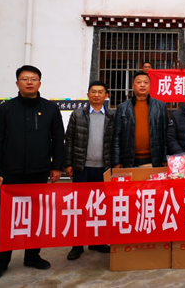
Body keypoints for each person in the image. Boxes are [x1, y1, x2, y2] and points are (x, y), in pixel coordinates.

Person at [0, 65, 65, 281]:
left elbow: (58, 139)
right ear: (17, 83)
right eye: (25, 79)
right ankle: (0, 262)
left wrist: (56, 166)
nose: (29, 82)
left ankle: (32, 256)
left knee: (36, 216)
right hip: (10, 174)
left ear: (40, 83)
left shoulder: (50, 108)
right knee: (7, 218)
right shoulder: (5, 109)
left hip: (39, 172)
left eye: (34, 79)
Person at [63, 81, 115, 260]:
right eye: (93, 91)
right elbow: (69, 139)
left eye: (100, 92)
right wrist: (68, 163)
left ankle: (97, 241)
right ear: (88, 95)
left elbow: (115, 141)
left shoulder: (112, 116)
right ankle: (77, 245)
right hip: (82, 168)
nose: (97, 95)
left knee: (99, 207)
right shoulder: (78, 115)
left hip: (103, 169)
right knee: (80, 207)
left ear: (106, 95)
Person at [112, 72, 168, 168]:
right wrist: (117, 161)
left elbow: (166, 134)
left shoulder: (160, 106)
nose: (142, 85)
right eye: (139, 82)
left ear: (150, 85)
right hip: (129, 159)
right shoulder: (123, 108)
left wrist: (165, 158)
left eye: (146, 82)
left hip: (154, 158)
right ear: (133, 85)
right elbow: (117, 136)